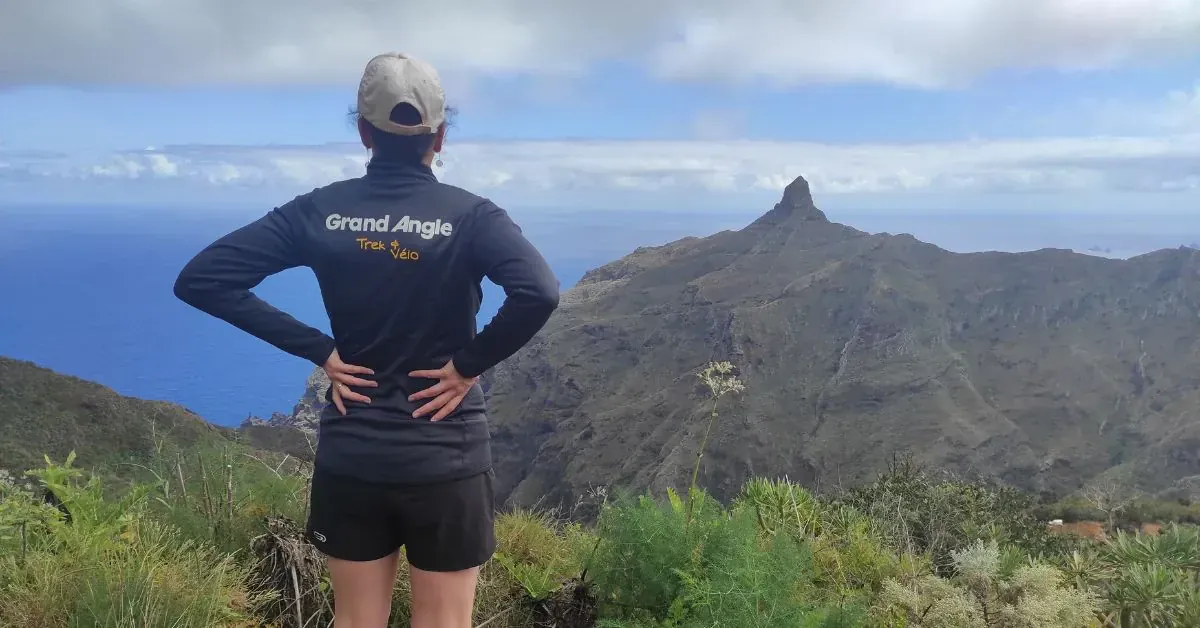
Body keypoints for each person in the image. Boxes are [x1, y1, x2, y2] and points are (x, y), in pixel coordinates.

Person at [173, 52, 560, 628]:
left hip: (353, 453)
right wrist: (467, 366)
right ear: (440, 136)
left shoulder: (319, 211)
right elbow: (539, 292)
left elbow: (202, 279)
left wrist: (319, 350)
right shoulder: (473, 217)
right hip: (445, 453)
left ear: (363, 133)